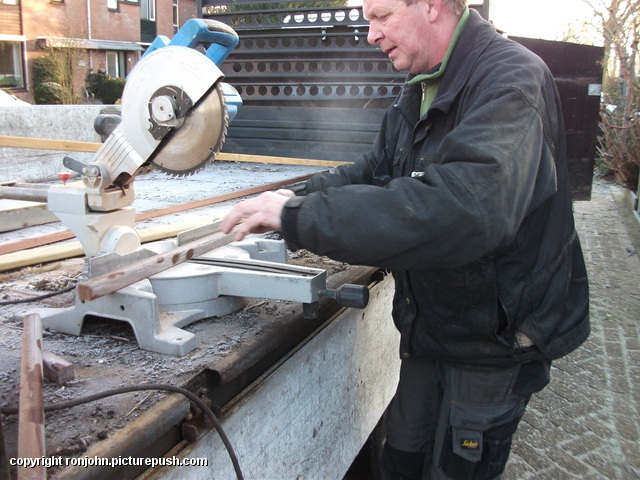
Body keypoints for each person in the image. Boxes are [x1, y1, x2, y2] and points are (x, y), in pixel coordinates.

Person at [220, 0, 590, 478]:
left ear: (432, 6)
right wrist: (291, 198)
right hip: (429, 328)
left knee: (457, 468)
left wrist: (299, 216)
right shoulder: (419, 88)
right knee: (401, 458)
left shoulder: (511, 78)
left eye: (381, 16)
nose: (370, 34)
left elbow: (465, 209)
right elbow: (374, 172)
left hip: (492, 337)